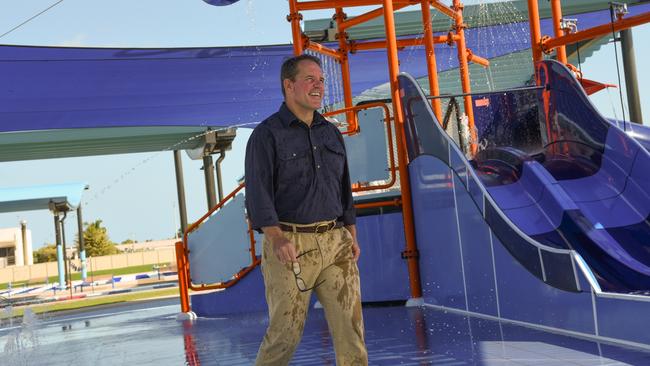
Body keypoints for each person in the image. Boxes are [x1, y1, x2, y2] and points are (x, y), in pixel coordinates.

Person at [245, 54, 368, 365]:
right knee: (285, 334)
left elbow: (343, 187)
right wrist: (276, 237)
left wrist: (351, 233)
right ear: (289, 85)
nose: (319, 86)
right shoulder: (266, 135)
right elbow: (258, 194)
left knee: (351, 331)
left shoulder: (331, 132)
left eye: (321, 80)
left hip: (335, 242)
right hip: (290, 244)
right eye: (310, 79)